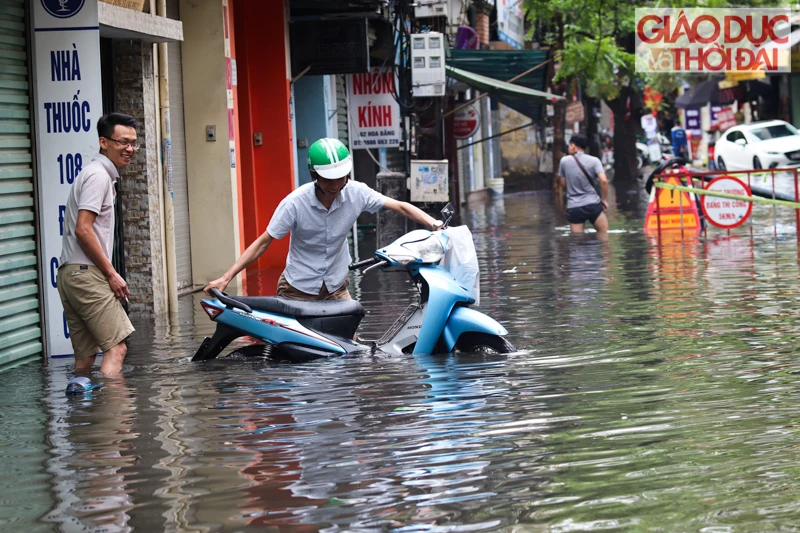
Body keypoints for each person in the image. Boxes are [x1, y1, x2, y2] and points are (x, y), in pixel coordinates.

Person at [204, 137, 441, 300]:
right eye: (328, 179)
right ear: (314, 175)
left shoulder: (356, 192)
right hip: (297, 289)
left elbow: (399, 206)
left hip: (336, 288)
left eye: (341, 178)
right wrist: (227, 277)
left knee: (351, 348)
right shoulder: (295, 203)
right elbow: (264, 242)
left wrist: (433, 223)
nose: (335, 185)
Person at [58, 113, 136, 376]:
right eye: (123, 142)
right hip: (86, 273)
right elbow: (83, 229)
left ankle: (85, 414)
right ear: (104, 142)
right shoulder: (98, 176)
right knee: (117, 349)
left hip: (71, 274)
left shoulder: (95, 174)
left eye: (134, 143)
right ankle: (113, 413)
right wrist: (112, 274)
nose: (130, 149)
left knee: (85, 357)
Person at [557, 134, 609, 234]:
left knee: (577, 242)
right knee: (604, 235)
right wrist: (604, 200)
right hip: (593, 205)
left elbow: (563, 183)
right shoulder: (594, 160)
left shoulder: (564, 161)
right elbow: (604, 181)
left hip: (574, 207)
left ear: (572, 145)